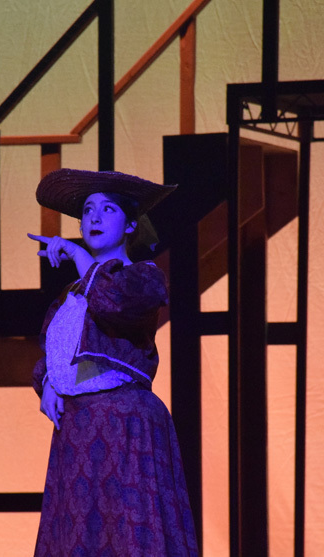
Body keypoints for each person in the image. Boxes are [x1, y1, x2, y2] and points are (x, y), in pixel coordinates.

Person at [28, 168, 199, 556]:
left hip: (126, 427)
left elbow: (114, 303)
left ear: (130, 226)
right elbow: (53, 350)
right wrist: (49, 384)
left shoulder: (143, 277)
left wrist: (78, 256)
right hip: (80, 430)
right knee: (78, 538)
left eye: (108, 209)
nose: (95, 217)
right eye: (88, 210)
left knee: (129, 535)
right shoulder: (71, 293)